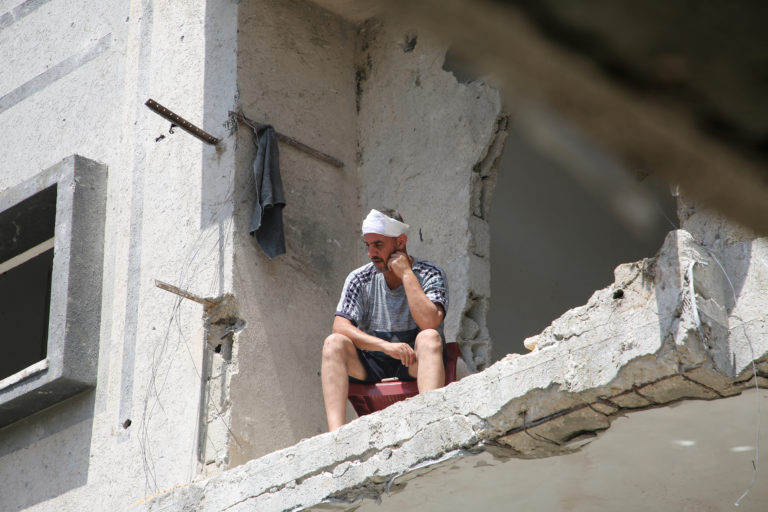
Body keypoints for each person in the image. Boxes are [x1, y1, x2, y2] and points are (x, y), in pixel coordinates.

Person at [321, 208, 449, 431]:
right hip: (372, 363)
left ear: (400, 242)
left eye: (378, 245)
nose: (371, 253)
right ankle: (335, 436)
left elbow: (429, 322)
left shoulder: (430, 273)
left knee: (429, 337)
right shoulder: (360, 278)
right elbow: (339, 326)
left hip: (414, 362)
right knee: (333, 343)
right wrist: (386, 347)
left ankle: (430, 425)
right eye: (368, 245)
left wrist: (407, 274)